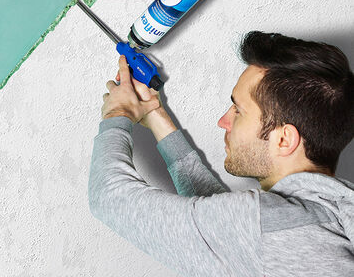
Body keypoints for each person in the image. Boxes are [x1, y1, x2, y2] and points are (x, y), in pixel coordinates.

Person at [88, 31, 354, 277]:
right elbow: (221, 232)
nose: (223, 121)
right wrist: (155, 115)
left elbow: (109, 198)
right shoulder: (334, 210)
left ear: (283, 139)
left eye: (238, 110)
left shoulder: (264, 227)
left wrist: (116, 114)